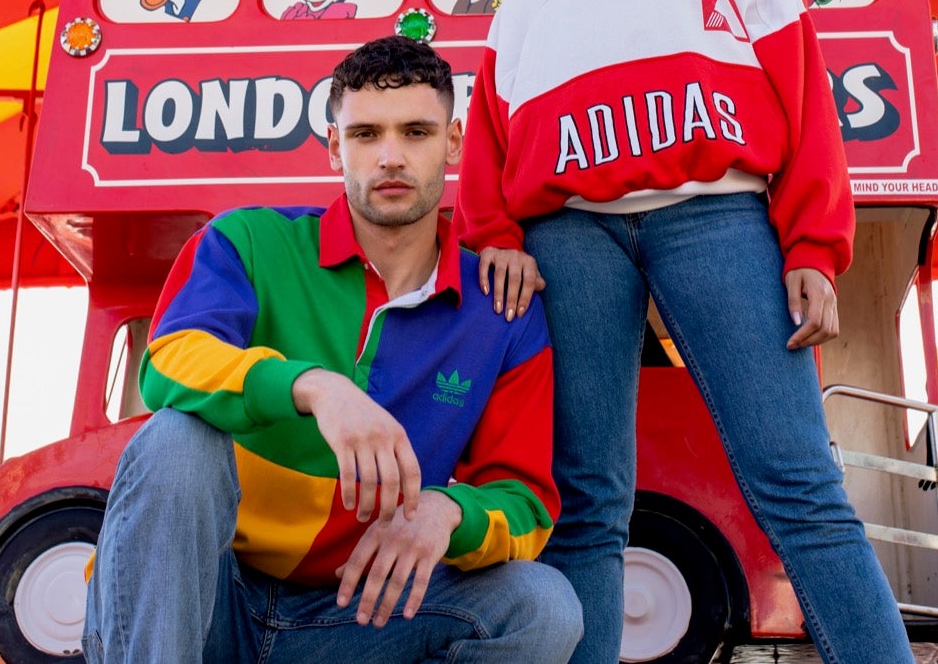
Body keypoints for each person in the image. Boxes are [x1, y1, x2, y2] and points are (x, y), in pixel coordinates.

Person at [458, 0, 914, 664]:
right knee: (586, 498)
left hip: (716, 217)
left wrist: (815, 247)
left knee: (796, 479)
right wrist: (494, 232)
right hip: (572, 234)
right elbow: (493, 119)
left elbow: (803, 99)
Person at [85, 36, 582, 664]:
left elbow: (529, 504)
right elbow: (167, 364)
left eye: (418, 132)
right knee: (176, 441)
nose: (392, 157)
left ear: (453, 142)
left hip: (358, 616)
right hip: (205, 600)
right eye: (367, 134)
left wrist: (446, 511)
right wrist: (316, 387)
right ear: (333, 146)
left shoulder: (501, 313)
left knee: (543, 607)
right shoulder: (248, 240)